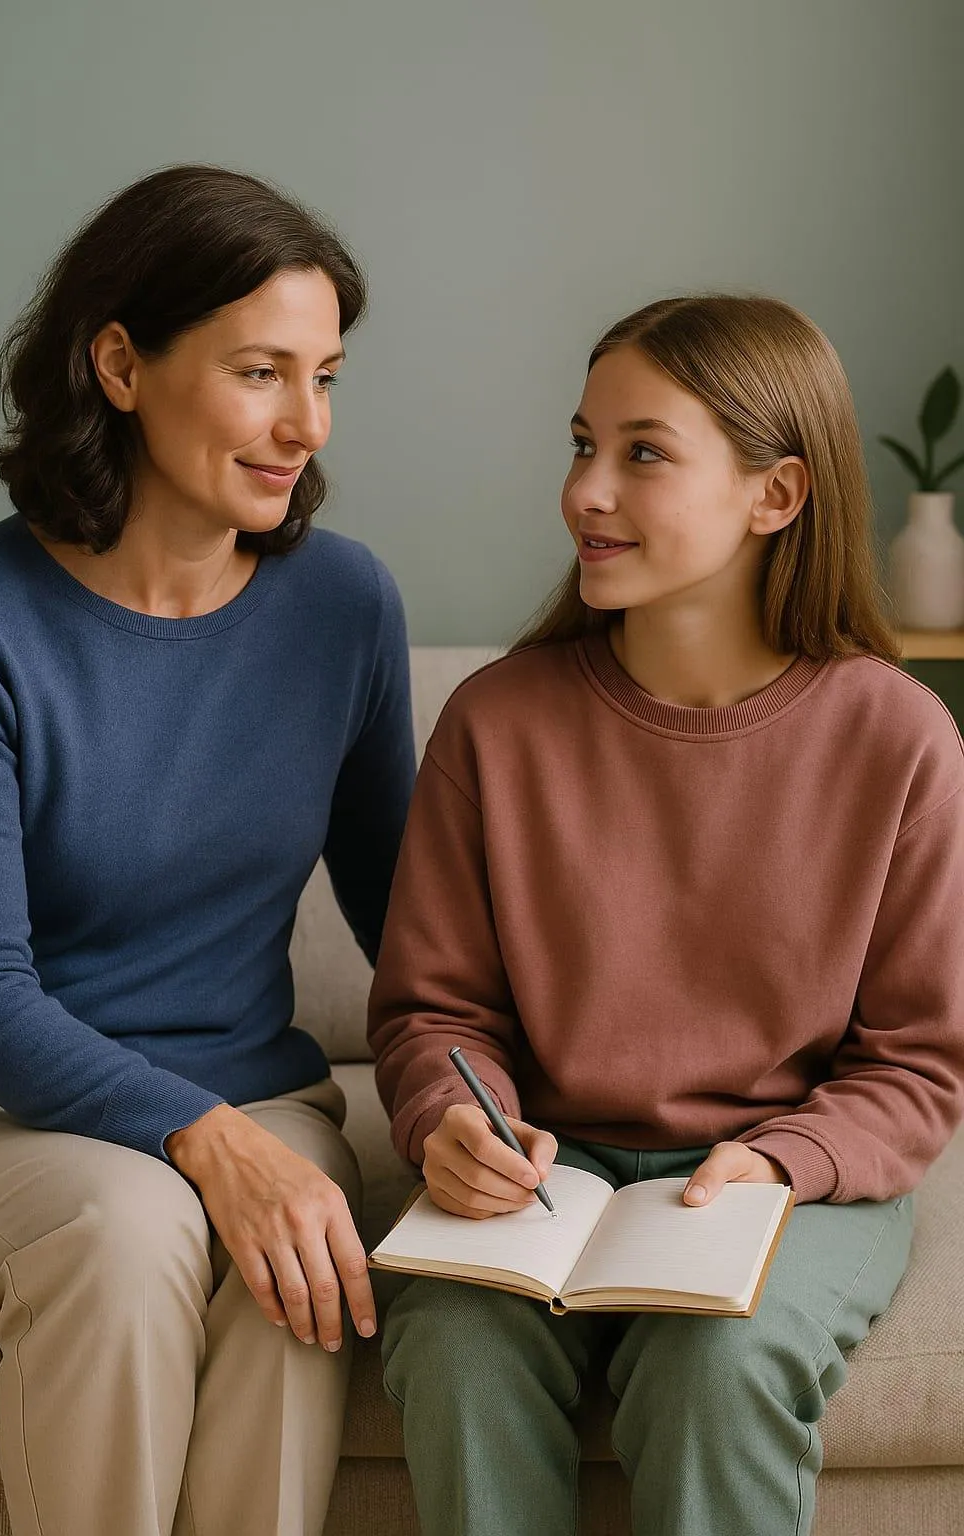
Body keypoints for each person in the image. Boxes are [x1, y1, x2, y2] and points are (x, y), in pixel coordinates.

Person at [368, 294, 964, 1536]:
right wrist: (449, 1120)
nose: (587, 489)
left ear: (776, 495)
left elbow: (916, 1062)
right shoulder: (495, 722)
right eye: (582, 444)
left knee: (718, 1369)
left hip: (785, 1179)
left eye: (641, 451)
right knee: (457, 1348)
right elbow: (435, 1010)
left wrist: (781, 1162)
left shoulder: (898, 737)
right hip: (548, 1173)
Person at [0, 164, 416, 1536]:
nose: (303, 426)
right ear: (121, 365)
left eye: (324, 377)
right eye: (262, 372)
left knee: (302, 1246)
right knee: (131, 1226)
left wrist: (537, 1088)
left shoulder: (342, 605)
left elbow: (413, 921)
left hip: (259, 1109)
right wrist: (200, 1139)